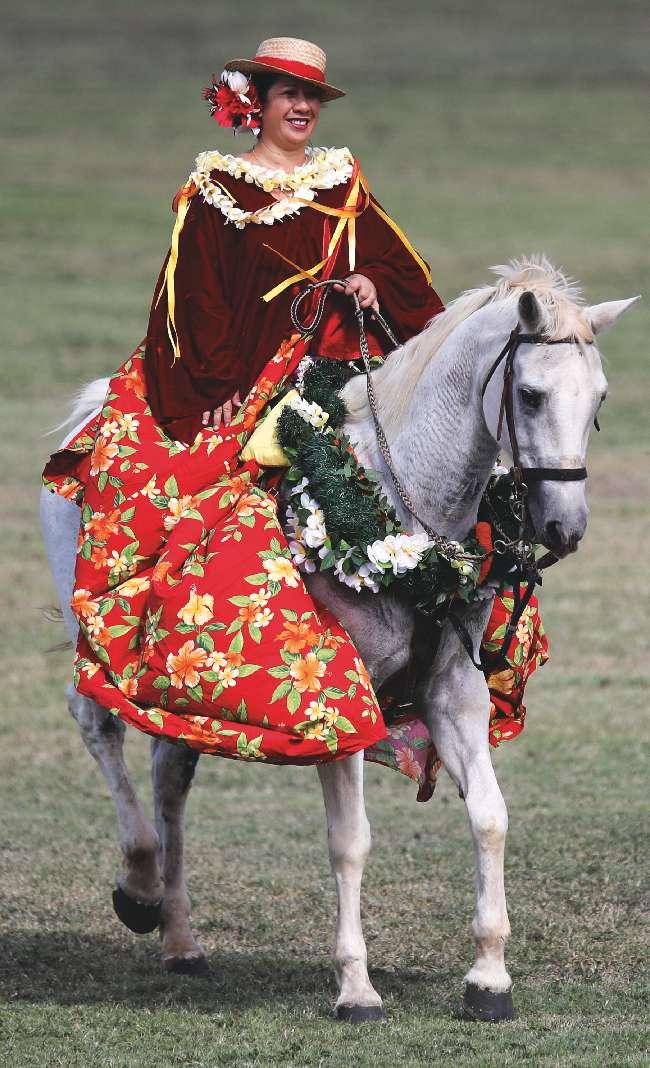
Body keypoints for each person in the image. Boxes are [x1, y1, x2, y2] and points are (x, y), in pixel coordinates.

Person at [43, 38, 546, 790]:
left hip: (341, 365)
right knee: (177, 492)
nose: (304, 107)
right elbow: (192, 296)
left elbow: (402, 273)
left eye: (312, 96)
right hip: (238, 373)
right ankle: (195, 653)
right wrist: (220, 386)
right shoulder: (216, 190)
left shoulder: (341, 181)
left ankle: (426, 675)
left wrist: (369, 281)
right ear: (257, 103)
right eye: (289, 94)